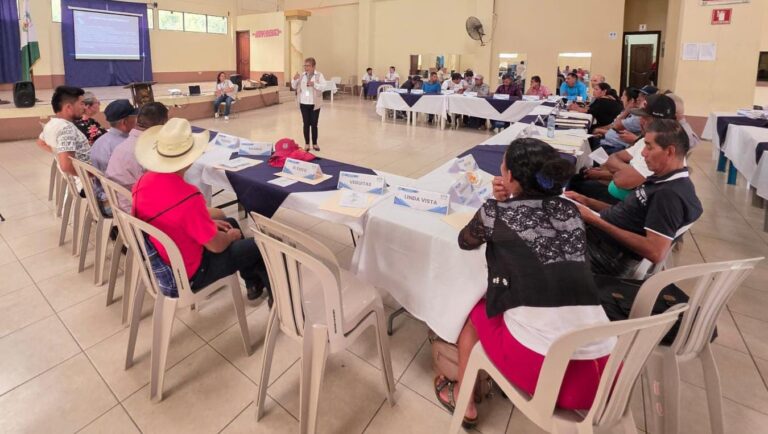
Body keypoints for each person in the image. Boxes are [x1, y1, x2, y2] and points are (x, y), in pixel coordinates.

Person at [435, 138, 614, 428]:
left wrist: (499, 204)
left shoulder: (495, 213)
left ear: (510, 177)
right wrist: (514, 199)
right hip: (606, 372)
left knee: (473, 311)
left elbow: (465, 240)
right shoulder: (570, 211)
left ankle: (463, 399)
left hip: (550, 376)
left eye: (503, 166)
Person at [132, 117, 271, 302]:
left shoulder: (143, 182)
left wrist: (210, 224)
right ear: (189, 158)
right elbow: (216, 246)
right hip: (191, 272)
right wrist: (231, 237)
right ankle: (276, 298)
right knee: (258, 245)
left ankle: (253, 282)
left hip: (164, 257)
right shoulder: (188, 196)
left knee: (229, 223)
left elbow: (171, 217)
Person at [565, 118, 702, 278]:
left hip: (607, 257)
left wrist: (594, 220)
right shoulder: (664, 178)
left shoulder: (668, 195)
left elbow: (655, 251)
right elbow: (627, 215)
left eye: (649, 147)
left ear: (670, 151)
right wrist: (587, 202)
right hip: (601, 239)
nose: (643, 153)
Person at [569, 94, 676, 205]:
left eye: (645, 118)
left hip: (622, 201)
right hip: (617, 190)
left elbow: (624, 180)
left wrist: (612, 172)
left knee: (575, 184)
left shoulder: (661, 148)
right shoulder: (645, 139)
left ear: (660, 121)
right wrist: (628, 170)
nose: (641, 121)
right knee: (577, 178)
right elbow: (614, 159)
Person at [106, 102, 169, 211]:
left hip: (119, 206)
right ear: (162, 123)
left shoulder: (123, 145)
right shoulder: (147, 150)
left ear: (137, 121)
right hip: (136, 213)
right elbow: (159, 189)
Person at [39, 85, 90, 177]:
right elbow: (66, 166)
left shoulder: (51, 124)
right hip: (85, 185)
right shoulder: (66, 129)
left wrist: (59, 152)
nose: (85, 107)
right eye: (81, 103)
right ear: (69, 107)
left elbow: (40, 142)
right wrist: (93, 176)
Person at [590, 87, 645, 154]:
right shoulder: (630, 113)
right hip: (607, 141)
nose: (621, 98)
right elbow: (613, 126)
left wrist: (628, 109)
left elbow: (616, 126)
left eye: (623, 96)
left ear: (631, 101)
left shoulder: (636, 118)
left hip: (614, 147)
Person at [89, 99, 137, 173]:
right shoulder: (125, 146)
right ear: (124, 122)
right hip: (118, 184)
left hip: (102, 183)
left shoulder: (98, 142)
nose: (136, 120)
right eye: (134, 118)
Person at [291, 57, 326, 151]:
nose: (306, 68)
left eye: (308, 66)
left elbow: (323, 87)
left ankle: (315, 143)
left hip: (315, 104)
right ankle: (307, 144)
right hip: (304, 103)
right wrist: (294, 80)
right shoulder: (302, 75)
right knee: (306, 124)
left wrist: (314, 84)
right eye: (305, 65)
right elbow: (294, 86)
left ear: (313, 66)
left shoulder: (319, 75)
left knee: (314, 124)